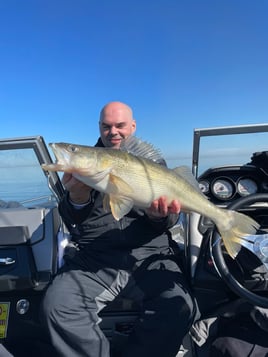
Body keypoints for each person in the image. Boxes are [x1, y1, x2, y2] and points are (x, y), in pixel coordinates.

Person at [40, 101, 198, 357]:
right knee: (56, 306)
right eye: (106, 126)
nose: (113, 131)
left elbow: (170, 221)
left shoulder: (154, 164)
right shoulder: (85, 164)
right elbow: (72, 221)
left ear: (133, 126)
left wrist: (158, 217)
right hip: (96, 258)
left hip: (150, 255)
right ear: (99, 128)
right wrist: (77, 199)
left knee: (179, 307)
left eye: (120, 125)